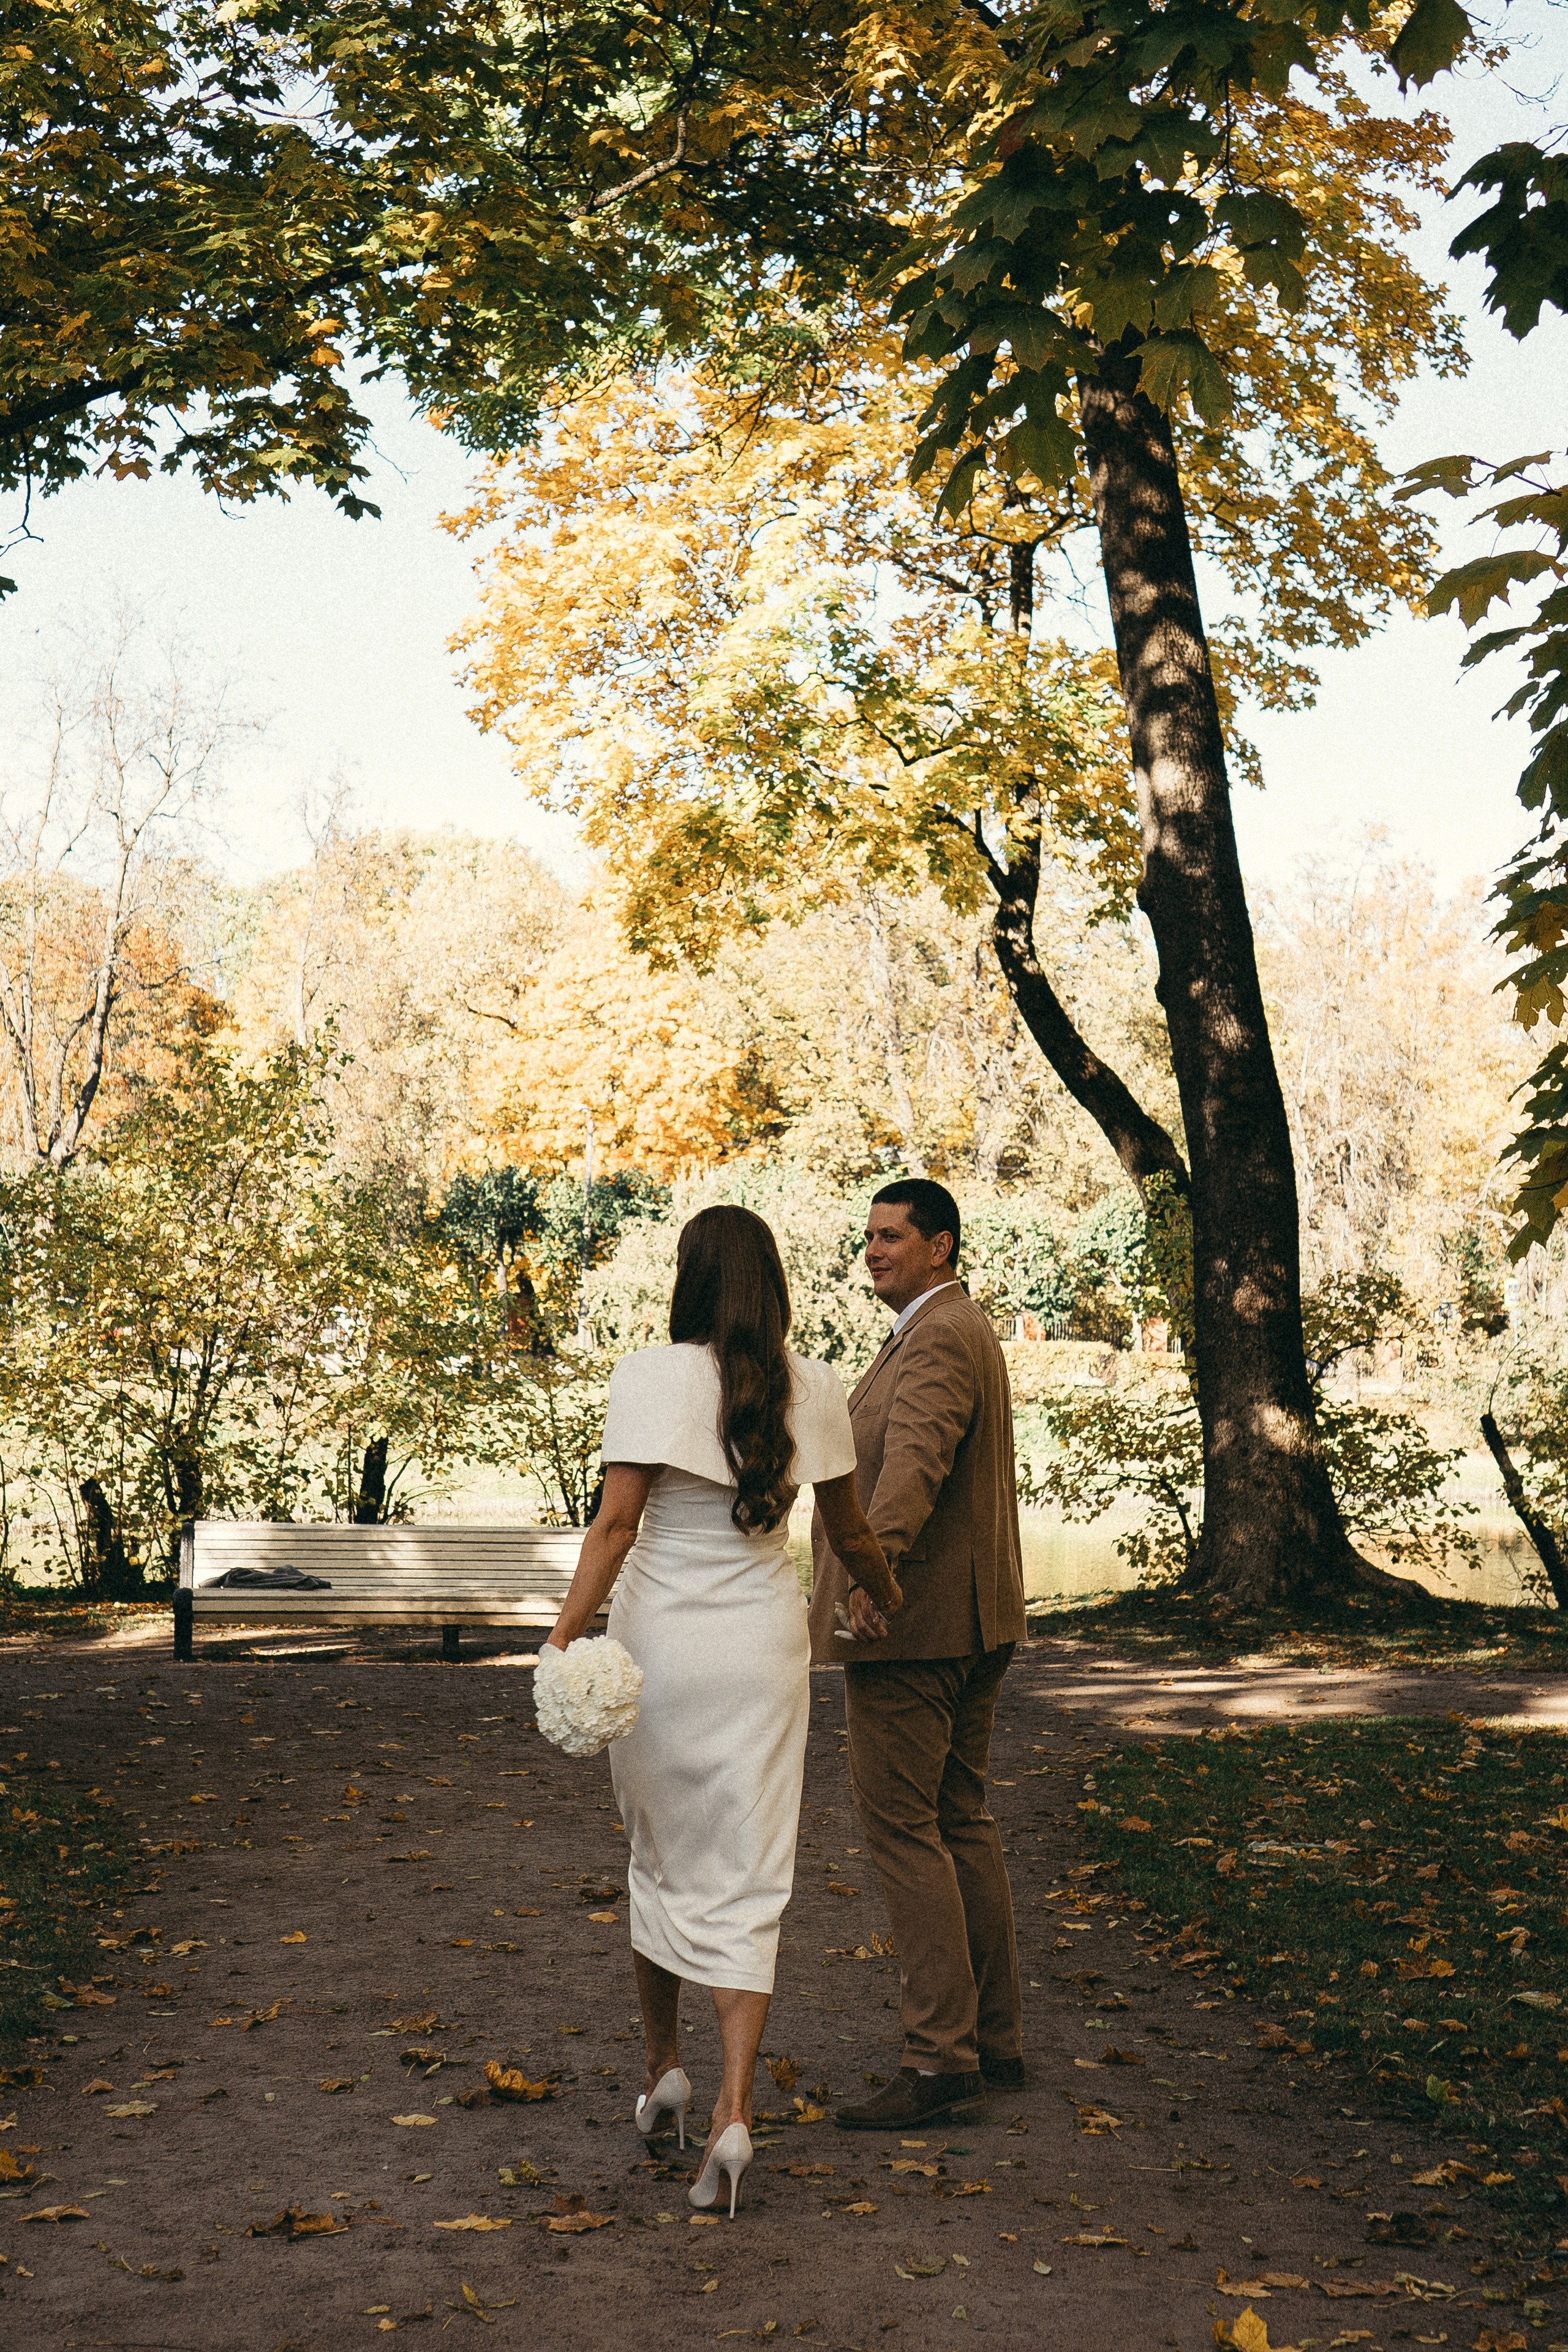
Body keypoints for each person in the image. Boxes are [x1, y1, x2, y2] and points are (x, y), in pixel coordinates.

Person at [543, 1204, 899, 2218]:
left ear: (691, 1280)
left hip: (665, 1652)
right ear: (774, 1283)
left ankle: (665, 2070)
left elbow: (616, 1526)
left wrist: (563, 1638)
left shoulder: (652, 1375)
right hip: (762, 1652)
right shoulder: (816, 1384)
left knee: (657, 1855)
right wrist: (882, 1594)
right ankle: (735, 2114)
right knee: (749, 1873)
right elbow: (850, 1530)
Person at [809, 1177, 1027, 2130]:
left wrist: (872, 1576)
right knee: (960, 1822)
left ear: (941, 1246)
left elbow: (914, 1465)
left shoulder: (939, 1334)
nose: (874, 1251)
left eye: (892, 1236)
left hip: (916, 1628)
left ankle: (940, 2060)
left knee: (907, 1833)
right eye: (868, 1237)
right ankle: (994, 2043)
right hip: (969, 1622)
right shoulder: (950, 1328)